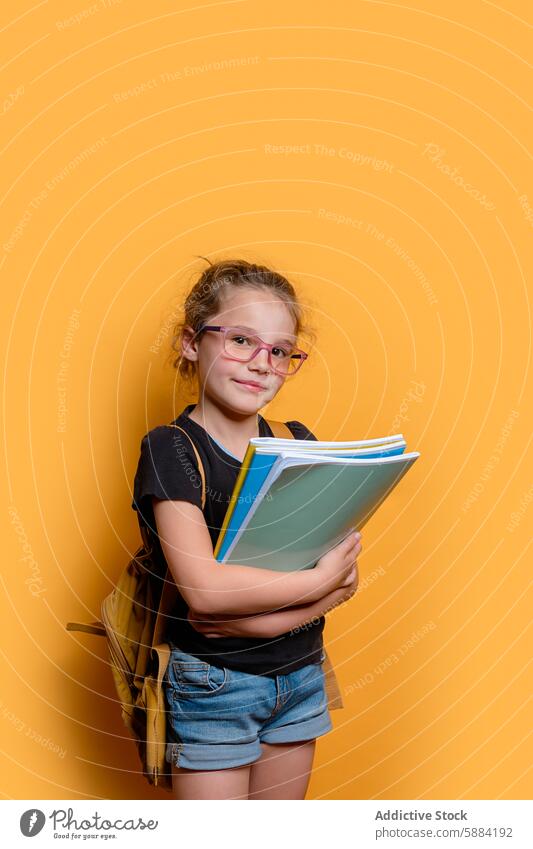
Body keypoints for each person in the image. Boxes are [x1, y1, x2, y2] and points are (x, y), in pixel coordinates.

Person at [131, 258, 362, 799]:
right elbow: (206, 594)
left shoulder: (298, 444)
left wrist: (256, 625)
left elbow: (346, 576)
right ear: (192, 342)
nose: (262, 364)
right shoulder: (172, 450)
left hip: (302, 676)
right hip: (213, 684)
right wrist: (317, 588)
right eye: (240, 340)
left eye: (280, 351)